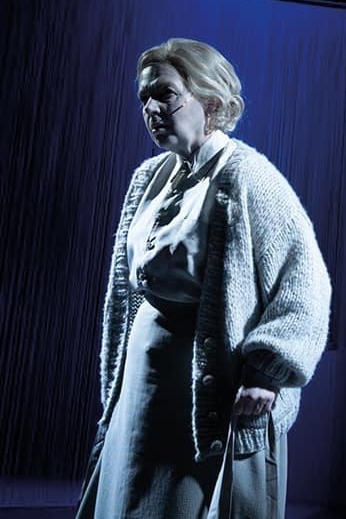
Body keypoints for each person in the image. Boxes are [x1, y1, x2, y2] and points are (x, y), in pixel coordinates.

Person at [76, 38, 331, 518]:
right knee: (126, 495)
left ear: (209, 99)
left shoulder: (249, 176)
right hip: (142, 377)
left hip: (199, 385)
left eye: (166, 94)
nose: (152, 109)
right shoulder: (150, 177)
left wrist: (267, 371)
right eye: (145, 98)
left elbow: (305, 285)